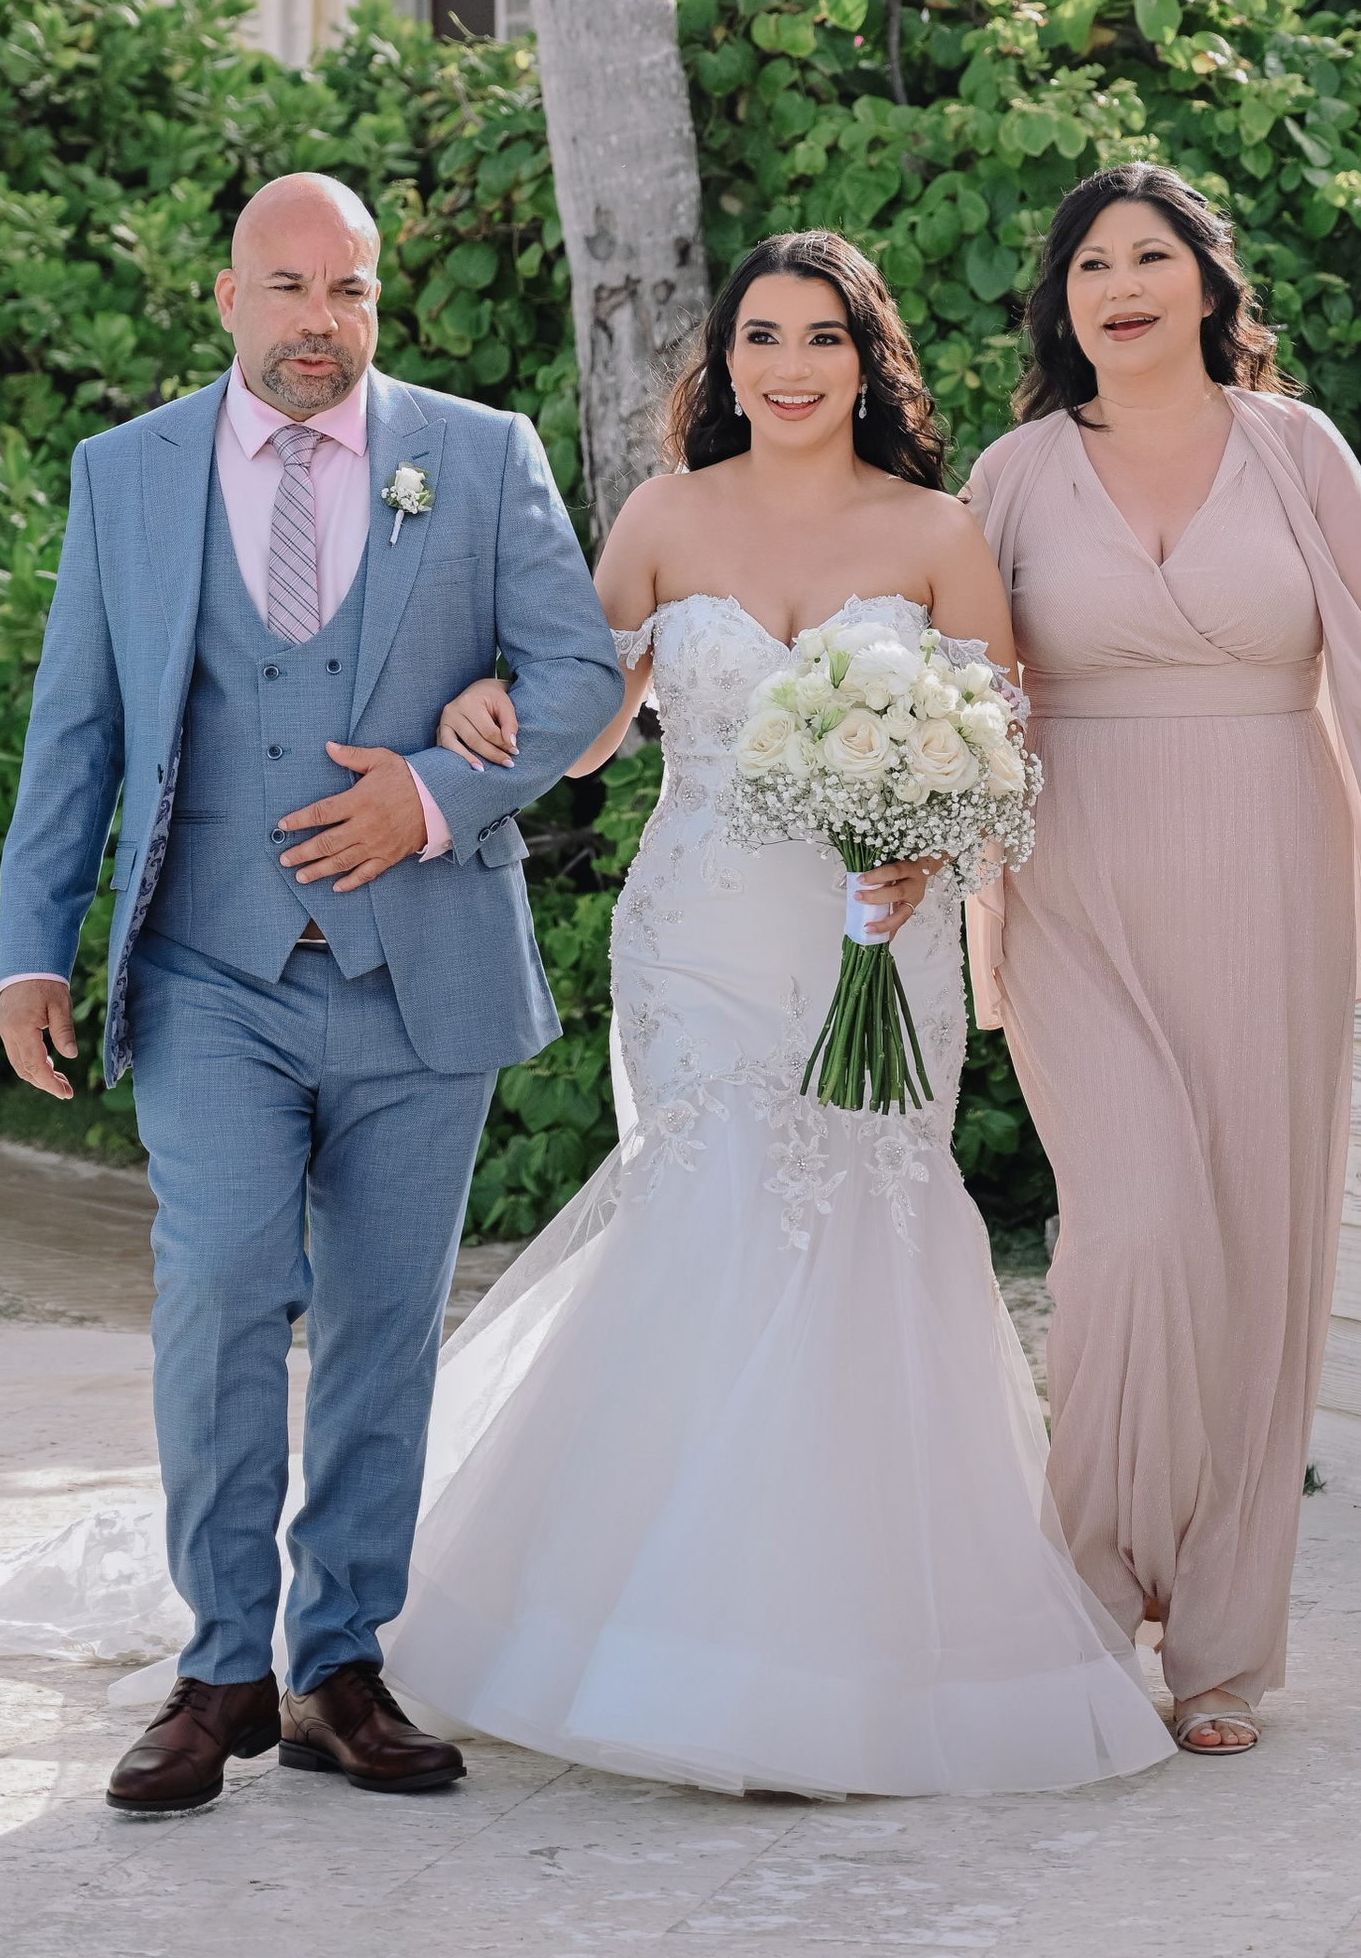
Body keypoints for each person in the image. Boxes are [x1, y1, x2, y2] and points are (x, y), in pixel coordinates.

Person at [377, 229, 1168, 1799]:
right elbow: (584, 727)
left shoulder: (939, 532)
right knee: (716, 1212)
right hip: (703, 933)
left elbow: (1008, 758)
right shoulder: (665, 515)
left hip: (880, 931)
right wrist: (484, 709)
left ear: (866, 364)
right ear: (722, 361)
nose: (787, 367)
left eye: (820, 339)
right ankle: (671, 1640)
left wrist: (927, 851)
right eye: (760, 338)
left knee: (866, 1225)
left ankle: (841, 1653)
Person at [0, 171, 622, 1810]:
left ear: (378, 297)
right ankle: (220, 1667)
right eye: (286, 291)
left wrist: (428, 790)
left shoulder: (480, 457)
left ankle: (342, 1663)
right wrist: (31, 944)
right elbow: (77, 725)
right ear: (226, 300)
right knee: (217, 1286)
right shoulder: (127, 474)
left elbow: (574, 673)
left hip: (424, 970)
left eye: (346, 291)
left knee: (383, 1325)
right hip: (212, 968)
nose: (317, 325)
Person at [963, 162, 1361, 1759]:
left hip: (1269, 863)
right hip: (1078, 879)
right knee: (1137, 1228)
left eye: (1151, 255)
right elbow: (960, 682)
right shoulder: (1015, 473)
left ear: (1205, 281)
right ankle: (1085, 1579)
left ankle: (1222, 1644)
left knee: (1259, 1254)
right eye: (1090, 264)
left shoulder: (1298, 448)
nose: (1120, 284)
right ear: (1062, 305)